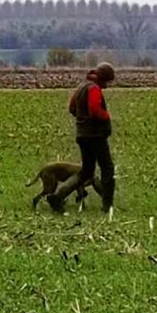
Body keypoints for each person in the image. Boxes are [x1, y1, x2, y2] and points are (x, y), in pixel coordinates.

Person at [50, 62, 117, 212]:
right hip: (96, 136)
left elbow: (72, 108)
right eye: (107, 81)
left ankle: (57, 196)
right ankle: (108, 205)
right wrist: (106, 116)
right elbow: (95, 110)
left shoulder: (82, 86)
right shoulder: (94, 88)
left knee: (86, 171)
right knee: (107, 169)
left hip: (82, 135)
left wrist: (82, 119)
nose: (107, 85)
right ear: (103, 78)